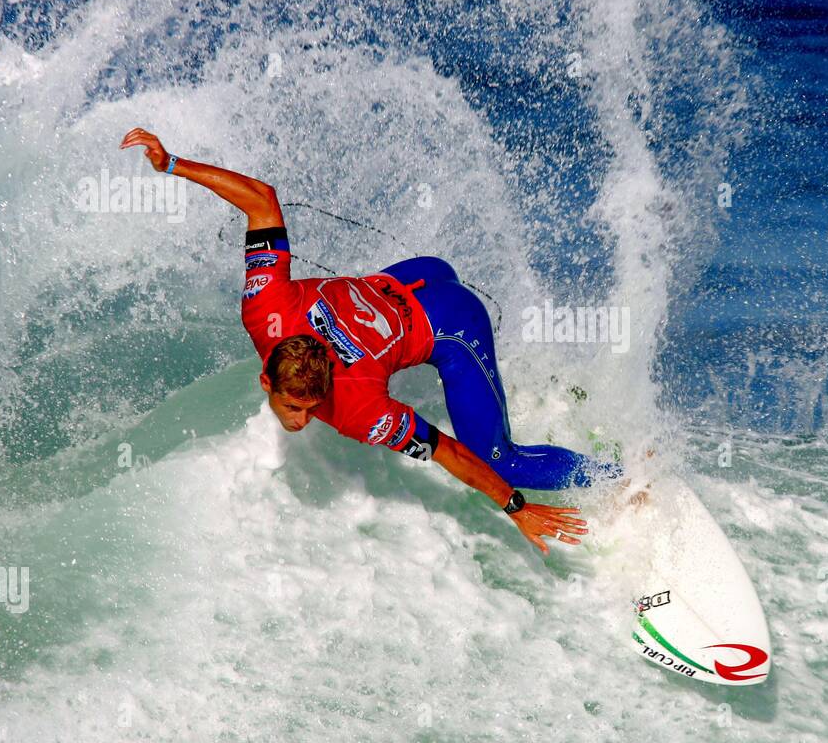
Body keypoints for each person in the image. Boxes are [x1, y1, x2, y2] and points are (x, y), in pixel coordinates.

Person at [120, 128, 617, 554]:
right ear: (265, 378)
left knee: (496, 457)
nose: (303, 419)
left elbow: (448, 452)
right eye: (297, 408)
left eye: (310, 408)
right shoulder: (265, 305)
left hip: (451, 323)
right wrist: (171, 164)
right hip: (418, 273)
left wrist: (516, 506)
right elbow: (261, 202)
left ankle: (620, 478)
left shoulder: (360, 410)